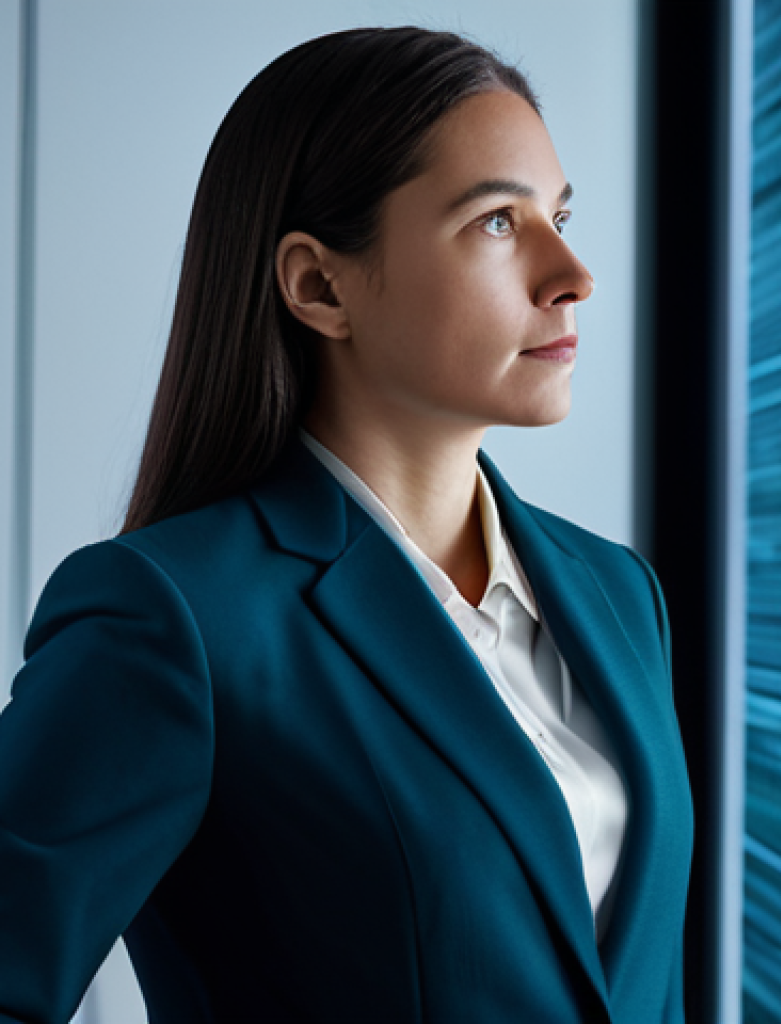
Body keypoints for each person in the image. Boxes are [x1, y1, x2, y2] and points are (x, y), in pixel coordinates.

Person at [0, 25, 693, 1024]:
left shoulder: (619, 594)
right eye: (499, 222)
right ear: (320, 286)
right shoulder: (177, 618)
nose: (571, 273)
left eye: (559, 213)